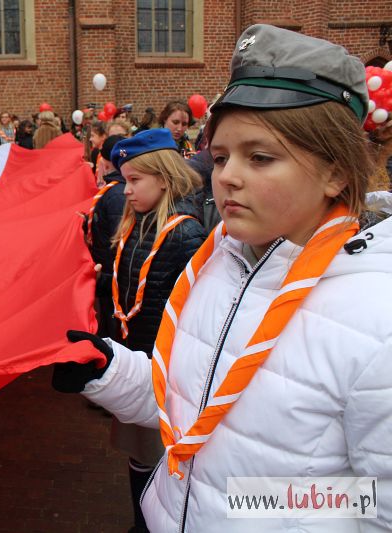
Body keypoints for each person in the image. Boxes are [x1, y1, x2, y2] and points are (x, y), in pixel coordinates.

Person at [53, 25, 392, 532]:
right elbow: (196, 404)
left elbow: (375, 506)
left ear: (335, 173)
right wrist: (112, 372)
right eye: (220, 157)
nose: (227, 176)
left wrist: (241, 505)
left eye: (260, 157)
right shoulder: (221, 262)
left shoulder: (377, 318)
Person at [106, 129, 206, 532]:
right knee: (138, 454)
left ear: (163, 177)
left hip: (162, 368)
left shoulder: (185, 234)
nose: (125, 190)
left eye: (134, 180)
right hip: (136, 359)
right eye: (123, 180)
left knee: (156, 458)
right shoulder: (135, 225)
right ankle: (140, 520)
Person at [86, 134, 127, 339]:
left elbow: (118, 237)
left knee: (112, 326)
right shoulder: (114, 192)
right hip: (108, 272)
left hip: (111, 272)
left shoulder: (116, 194)